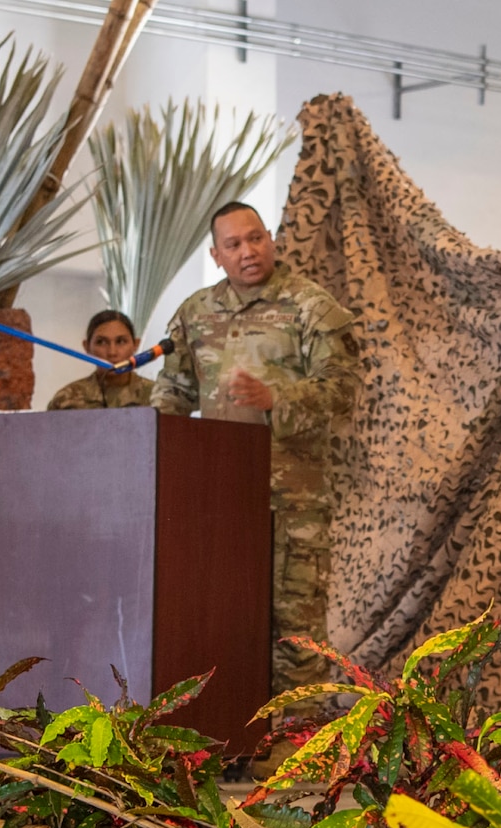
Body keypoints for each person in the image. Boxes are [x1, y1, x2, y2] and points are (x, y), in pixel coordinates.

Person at [152, 201, 360, 694]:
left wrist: (277, 398)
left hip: (294, 500)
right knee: (218, 614)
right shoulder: (195, 314)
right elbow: (174, 391)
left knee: (295, 621)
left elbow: (344, 390)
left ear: (271, 239)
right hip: (217, 496)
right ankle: (230, 729)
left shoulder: (314, 308)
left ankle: (296, 740)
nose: (249, 252)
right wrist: (149, 445)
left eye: (256, 238)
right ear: (216, 254)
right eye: (234, 245)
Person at [47, 309, 154, 410]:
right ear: (87, 347)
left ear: (135, 345)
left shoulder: (157, 396)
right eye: (101, 342)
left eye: (121, 341)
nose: (112, 352)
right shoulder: (67, 399)